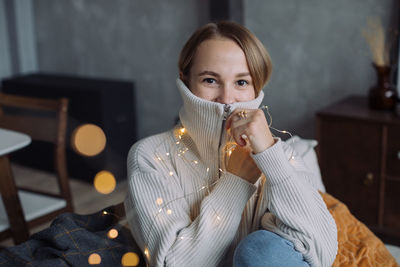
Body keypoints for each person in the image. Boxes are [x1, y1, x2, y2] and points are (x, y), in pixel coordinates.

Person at [124, 21, 338, 267]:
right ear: (185, 80)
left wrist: (271, 157)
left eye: (242, 82)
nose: (227, 99)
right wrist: (237, 181)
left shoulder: (280, 155)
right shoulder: (150, 156)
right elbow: (173, 263)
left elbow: (323, 253)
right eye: (210, 80)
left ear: (257, 87)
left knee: (259, 251)